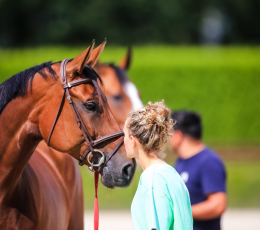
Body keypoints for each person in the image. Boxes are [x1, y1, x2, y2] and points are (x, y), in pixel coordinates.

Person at [123, 101, 193, 230]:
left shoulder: (152, 179)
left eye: (124, 135)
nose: (123, 141)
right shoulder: (171, 173)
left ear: (133, 141)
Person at [170, 110, 226, 230]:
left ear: (178, 135)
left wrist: (179, 212)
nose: (167, 139)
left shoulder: (208, 162)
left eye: (169, 133)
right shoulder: (180, 161)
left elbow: (218, 205)